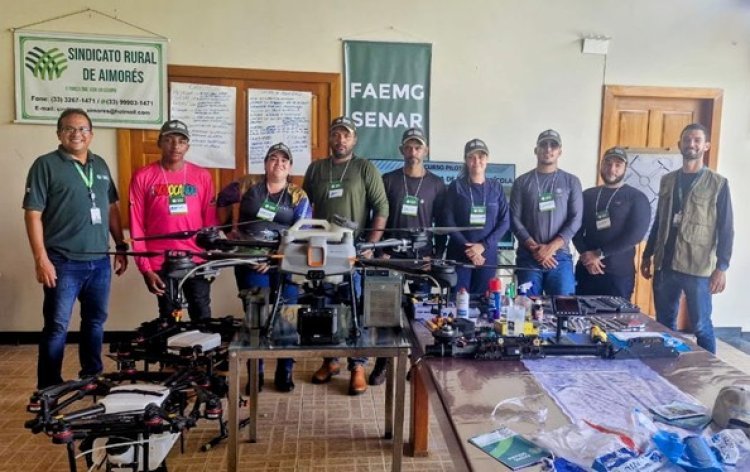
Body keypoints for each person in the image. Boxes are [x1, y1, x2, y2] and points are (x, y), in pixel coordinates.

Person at [23, 108, 128, 389]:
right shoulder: (45, 165)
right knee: (57, 326)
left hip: (99, 261)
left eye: (82, 129)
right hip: (62, 262)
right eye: (69, 128)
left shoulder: (100, 164)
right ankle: (49, 387)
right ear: (59, 134)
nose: (76, 134)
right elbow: (33, 214)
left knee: (95, 322)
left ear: (91, 134)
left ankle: (91, 376)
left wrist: (120, 245)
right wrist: (41, 259)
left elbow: (111, 208)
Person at [302, 116, 389, 395]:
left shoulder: (365, 168)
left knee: (354, 306)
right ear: (330, 138)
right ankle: (330, 360)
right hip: (321, 251)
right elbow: (304, 206)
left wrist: (371, 244)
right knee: (325, 305)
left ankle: (357, 366)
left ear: (354, 140)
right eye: (336, 134)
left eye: (346, 135)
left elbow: (381, 207)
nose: (341, 140)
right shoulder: (316, 169)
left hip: (353, 251)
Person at [216, 143, 312, 392]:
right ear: (266, 163)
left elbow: (303, 230)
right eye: (273, 158)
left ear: (290, 167)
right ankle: (255, 373)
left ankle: (285, 371)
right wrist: (227, 230)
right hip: (250, 263)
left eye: (284, 160)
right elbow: (220, 200)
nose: (278, 164)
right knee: (255, 317)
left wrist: (275, 257)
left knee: (287, 316)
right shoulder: (247, 184)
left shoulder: (298, 195)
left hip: (284, 263)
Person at [641, 123, 733, 353]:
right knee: (664, 324)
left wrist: (722, 267)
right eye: (687, 140)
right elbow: (659, 220)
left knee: (701, 326)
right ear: (679, 144)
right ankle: (668, 367)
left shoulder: (718, 183)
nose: (691, 144)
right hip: (665, 264)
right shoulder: (668, 180)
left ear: (706, 146)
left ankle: (707, 371)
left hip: (698, 267)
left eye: (697, 140)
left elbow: (726, 228)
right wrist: (647, 254)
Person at [371, 127, 446, 386]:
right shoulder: (388, 180)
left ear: (426, 151)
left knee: (420, 314)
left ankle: (417, 363)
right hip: (390, 256)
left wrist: (436, 256)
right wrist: (379, 251)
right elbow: (377, 216)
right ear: (401, 150)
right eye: (409, 147)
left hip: (422, 260)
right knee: (385, 312)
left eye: (418, 147)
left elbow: (442, 224)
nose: (413, 151)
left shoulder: (437, 184)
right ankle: (382, 362)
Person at [129, 120, 218, 320]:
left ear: (187, 146)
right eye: (169, 140)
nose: (175, 146)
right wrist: (145, 268)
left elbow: (210, 221)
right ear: (159, 143)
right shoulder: (143, 176)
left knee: (202, 315)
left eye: (181, 141)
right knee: (169, 318)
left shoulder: (202, 176)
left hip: (195, 259)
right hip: (160, 260)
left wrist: (209, 259)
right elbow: (137, 225)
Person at [510, 129, 582, 296]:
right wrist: (536, 249)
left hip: (560, 257)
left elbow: (576, 219)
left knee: (564, 306)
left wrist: (550, 248)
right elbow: (514, 219)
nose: (548, 149)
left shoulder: (571, 181)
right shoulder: (521, 182)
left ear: (560, 151)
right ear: (536, 150)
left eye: (553, 145)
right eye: (543, 145)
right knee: (526, 307)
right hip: (529, 257)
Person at [572, 147, 650, 299]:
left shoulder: (636, 198)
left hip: (618, 275)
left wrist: (599, 254)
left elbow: (635, 235)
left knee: (616, 314)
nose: (612, 169)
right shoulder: (587, 195)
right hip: (587, 270)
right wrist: (587, 256)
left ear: (625, 168)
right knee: (581, 313)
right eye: (607, 163)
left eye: (617, 165)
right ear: (601, 165)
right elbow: (575, 229)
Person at [442, 139, 510, 295]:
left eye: (481, 156)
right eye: (471, 157)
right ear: (466, 160)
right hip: (459, 254)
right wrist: (469, 249)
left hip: (487, 256)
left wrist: (483, 246)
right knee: (458, 301)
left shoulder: (496, 187)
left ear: (487, 159)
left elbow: (505, 221)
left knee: (483, 301)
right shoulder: (456, 186)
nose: (476, 161)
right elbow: (448, 221)